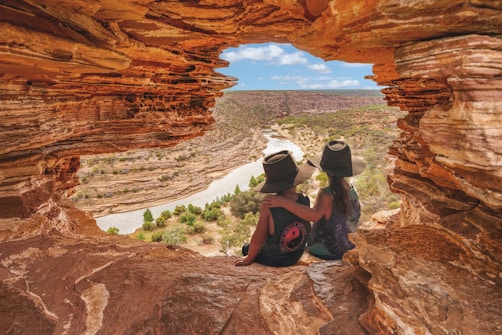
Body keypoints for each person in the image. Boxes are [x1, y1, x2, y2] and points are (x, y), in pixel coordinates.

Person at [263, 140, 365, 260]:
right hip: (347, 246)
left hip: (325, 251)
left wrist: (283, 202)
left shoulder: (326, 194)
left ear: (324, 170)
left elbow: (313, 216)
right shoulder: (352, 190)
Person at [234, 150, 315, 267]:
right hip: (295, 254)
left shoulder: (269, 206)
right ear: (296, 179)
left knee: (246, 247)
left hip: (274, 259)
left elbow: (259, 235)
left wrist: (248, 259)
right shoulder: (304, 200)